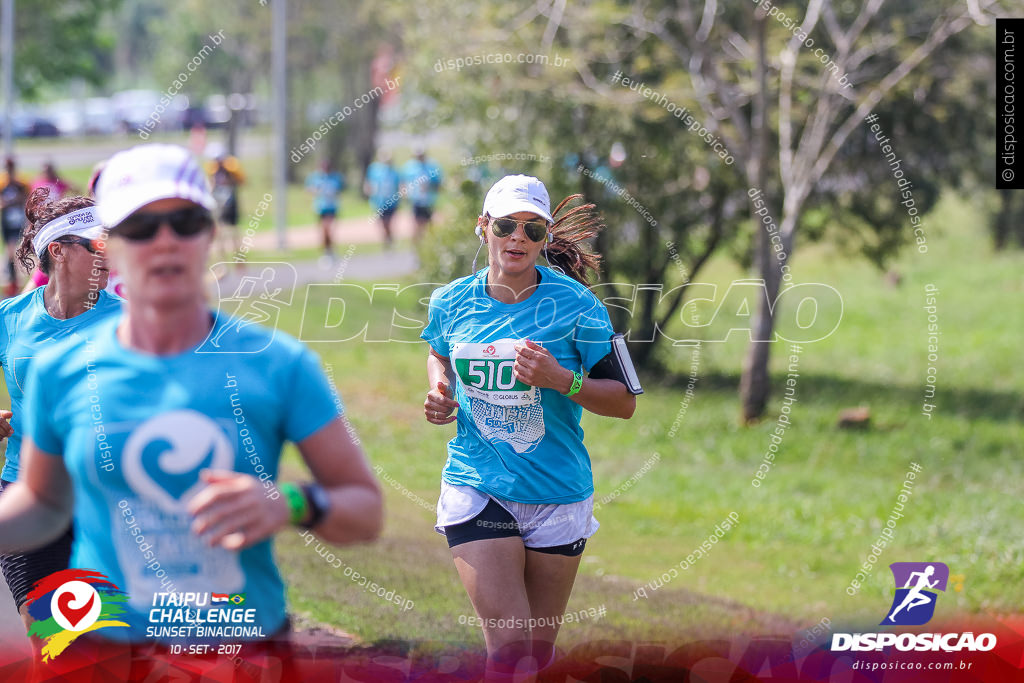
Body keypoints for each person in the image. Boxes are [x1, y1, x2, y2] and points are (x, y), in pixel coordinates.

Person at [0, 144, 382, 649]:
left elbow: (365, 510)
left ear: (209, 233)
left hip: (234, 639)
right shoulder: (57, 370)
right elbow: (45, 504)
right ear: (112, 246)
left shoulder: (277, 363)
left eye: (184, 221)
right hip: (108, 637)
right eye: (139, 228)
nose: (165, 243)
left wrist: (289, 502)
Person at [421, 175, 637, 677]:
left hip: (557, 493)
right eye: (506, 225)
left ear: (544, 238)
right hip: (479, 484)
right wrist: (440, 390)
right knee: (512, 646)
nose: (517, 237)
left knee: (536, 654)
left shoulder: (581, 308)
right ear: (484, 228)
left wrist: (562, 380)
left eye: (532, 229)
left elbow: (624, 403)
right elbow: (438, 351)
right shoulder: (450, 301)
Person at [0, 188, 121, 637]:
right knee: (51, 640)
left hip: (107, 499)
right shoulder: (9, 319)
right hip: (28, 495)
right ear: (59, 251)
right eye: (100, 246)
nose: (112, 257)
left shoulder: (132, 324)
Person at [206, 147, 246, 270]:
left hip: (230, 203)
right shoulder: (213, 171)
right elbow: (211, 185)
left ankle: (239, 261)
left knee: (234, 233)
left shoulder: (231, 169)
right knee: (220, 233)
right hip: (219, 203)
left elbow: (241, 182)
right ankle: (222, 264)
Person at [305, 160, 345, 264]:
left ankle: (330, 250)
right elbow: (309, 188)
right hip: (320, 207)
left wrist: (333, 193)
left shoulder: (335, 177)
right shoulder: (316, 177)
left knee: (329, 228)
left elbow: (340, 189)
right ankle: (327, 251)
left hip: (332, 207)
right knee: (323, 231)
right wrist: (317, 191)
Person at [1, 158, 29, 296]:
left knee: (14, 251)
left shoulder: (21, 183)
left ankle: (16, 281)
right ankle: (13, 283)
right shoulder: (2, 183)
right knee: (10, 253)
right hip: (7, 223)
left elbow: (27, 198)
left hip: (18, 222)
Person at [402, 148, 442, 241]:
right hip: (416, 200)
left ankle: (426, 244)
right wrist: (405, 193)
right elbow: (404, 182)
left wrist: (429, 187)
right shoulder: (409, 167)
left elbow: (438, 184)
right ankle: (417, 244)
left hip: (428, 200)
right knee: (416, 223)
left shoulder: (432, 167)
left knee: (428, 224)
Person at [363, 151, 401, 247]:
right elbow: (368, 183)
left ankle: (389, 240)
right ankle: (388, 239)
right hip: (378, 202)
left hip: (391, 202)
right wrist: (368, 191)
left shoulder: (394, 172)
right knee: (382, 223)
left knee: (389, 222)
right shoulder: (374, 170)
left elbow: (398, 186)